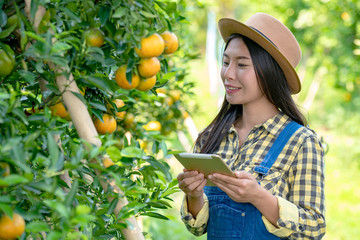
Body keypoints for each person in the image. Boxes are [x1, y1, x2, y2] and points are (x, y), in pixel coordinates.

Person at [177, 12, 325, 239]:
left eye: (242, 65)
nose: (228, 74)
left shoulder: (301, 142)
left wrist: (258, 196)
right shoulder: (210, 138)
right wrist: (194, 195)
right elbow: (198, 228)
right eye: (226, 62)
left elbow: (313, 228)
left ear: (270, 73)